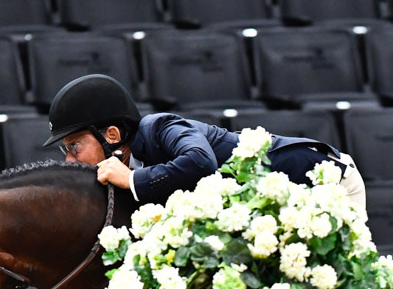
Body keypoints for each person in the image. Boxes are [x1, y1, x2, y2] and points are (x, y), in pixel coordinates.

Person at [43, 74, 367, 210]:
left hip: (326, 181)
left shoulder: (160, 127)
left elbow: (201, 162)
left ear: (112, 135)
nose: (70, 159)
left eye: (74, 146)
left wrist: (131, 179)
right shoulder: (134, 166)